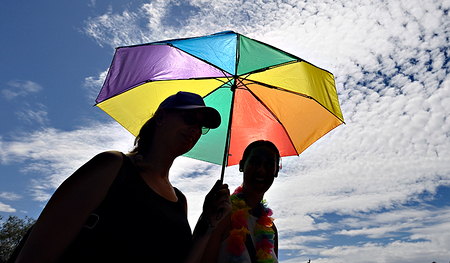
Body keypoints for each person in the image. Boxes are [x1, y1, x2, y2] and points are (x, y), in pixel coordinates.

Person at [13, 91, 231, 263]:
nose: (194, 129)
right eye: (189, 118)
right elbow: (35, 255)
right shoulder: (112, 168)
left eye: (200, 126)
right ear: (161, 117)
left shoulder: (180, 201)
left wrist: (208, 223)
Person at [201, 140, 280, 263]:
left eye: (269, 165)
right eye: (254, 162)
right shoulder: (221, 214)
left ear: (276, 172)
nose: (261, 169)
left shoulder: (271, 229)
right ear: (242, 165)